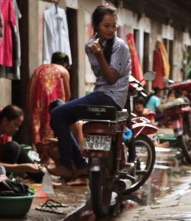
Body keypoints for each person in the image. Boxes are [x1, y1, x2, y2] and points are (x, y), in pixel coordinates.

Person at [47, 4, 131, 179]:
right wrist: (99, 54)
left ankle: (67, 165)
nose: (111, 30)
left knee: (58, 114)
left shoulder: (120, 46)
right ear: (96, 26)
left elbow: (111, 79)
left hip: (112, 97)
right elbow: (101, 76)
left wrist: (100, 56)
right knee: (60, 116)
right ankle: (80, 165)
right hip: (100, 95)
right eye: (106, 26)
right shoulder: (89, 46)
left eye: (114, 26)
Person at [0, 105, 44, 182]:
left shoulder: (4, 135)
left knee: (18, 148)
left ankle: (42, 178)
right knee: (14, 147)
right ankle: (0, 184)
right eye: (15, 125)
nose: (17, 129)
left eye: (18, 126)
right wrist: (22, 167)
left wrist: (30, 167)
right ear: (5, 121)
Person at [28, 51, 71, 145]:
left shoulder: (38, 69)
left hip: (38, 102)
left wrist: (31, 108)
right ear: (64, 63)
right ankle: (49, 154)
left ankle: (42, 153)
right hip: (54, 104)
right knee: (51, 124)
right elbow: (67, 95)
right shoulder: (63, 70)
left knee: (38, 123)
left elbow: (31, 90)